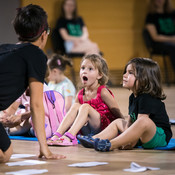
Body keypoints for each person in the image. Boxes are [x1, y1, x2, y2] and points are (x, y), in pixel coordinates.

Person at [0, 4, 65, 163]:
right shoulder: (36, 55)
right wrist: (45, 149)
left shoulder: (4, 49)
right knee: (4, 154)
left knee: (5, 152)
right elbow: (36, 105)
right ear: (44, 35)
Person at [78, 57, 172, 151]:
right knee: (118, 121)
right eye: (126, 71)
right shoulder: (132, 97)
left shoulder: (147, 98)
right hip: (140, 136)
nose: (124, 75)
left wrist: (130, 143)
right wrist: (127, 138)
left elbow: (141, 124)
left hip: (158, 137)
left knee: (144, 120)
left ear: (144, 78)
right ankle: (94, 139)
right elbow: (130, 123)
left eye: (130, 73)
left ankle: (110, 144)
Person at [47, 54, 123, 146]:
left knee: (85, 107)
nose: (84, 72)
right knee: (75, 106)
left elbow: (116, 111)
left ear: (99, 75)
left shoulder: (103, 91)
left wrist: (125, 129)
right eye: (83, 68)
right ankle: (57, 134)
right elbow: (72, 114)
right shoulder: (80, 94)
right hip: (87, 130)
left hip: (103, 128)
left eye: (90, 69)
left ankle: (69, 137)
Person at [145, 0, 175, 73]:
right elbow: (155, 37)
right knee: (173, 48)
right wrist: (172, 39)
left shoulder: (172, 13)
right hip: (159, 43)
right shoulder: (151, 16)